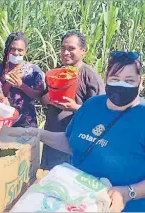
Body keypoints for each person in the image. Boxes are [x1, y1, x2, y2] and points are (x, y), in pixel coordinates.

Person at [38, 51, 145, 212]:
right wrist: (38, 134)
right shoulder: (91, 105)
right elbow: (72, 141)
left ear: (140, 81)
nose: (121, 85)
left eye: (129, 80)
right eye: (115, 79)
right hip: (77, 200)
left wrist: (128, 193)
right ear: (106, 79)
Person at [40, 30, 105, 170]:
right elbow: (43, 100)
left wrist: (75, 107)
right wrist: (48, 99)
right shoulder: (56, 73)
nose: (65, 52)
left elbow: (101, 112)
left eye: (71, 49)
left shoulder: (89, 76)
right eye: (63, 48)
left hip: (76, 144)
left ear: (83, 51)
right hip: (52, 140)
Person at [0, 32, 45, 128]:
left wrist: (22, 86)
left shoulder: (33, 71)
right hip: (4, 123)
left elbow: (40, 96)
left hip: (27, 123)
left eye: (20, 50)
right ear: (7, 49)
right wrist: (8, 84)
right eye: (12, 49)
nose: (16, 53)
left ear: (26, 50)